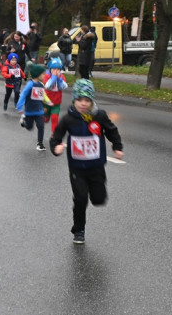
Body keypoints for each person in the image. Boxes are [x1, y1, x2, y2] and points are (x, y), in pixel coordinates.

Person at [50, 79, 124, 245]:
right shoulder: (68, 119)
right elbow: (56, 137)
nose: (83, 104)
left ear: (91, 101)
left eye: (87, 100)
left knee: (98, 199)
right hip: (77, 168)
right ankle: (79, 230)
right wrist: (56, 147)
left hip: (96, 166)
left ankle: (95, 195)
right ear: (74, 100)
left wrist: (117, 147)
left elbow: (112, 131)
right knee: (81, 198)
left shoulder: (100, 116)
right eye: (79, 100)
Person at [17, 63, 49, 151]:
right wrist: (19, 107)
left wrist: (48, 102)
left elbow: (43, 95)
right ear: (38, 75)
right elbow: (23, 95)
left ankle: (40, 144)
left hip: (39, 110)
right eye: (43, 74)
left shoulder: (41, 85)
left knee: (41, 126)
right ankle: (24, 120)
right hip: (29, 111)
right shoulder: (30, 84)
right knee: (29, 127)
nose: (44, 76)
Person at [44, 58, 69, 131]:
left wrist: (59, 79)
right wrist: (54, 78)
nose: (56, 71)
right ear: (50, 69)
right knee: (45, 118)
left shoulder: (61, 77)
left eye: (58, 69)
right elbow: (48, 86)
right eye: (54, 69)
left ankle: (54, 134)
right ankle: (46, 116)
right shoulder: (46, 76)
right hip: (46, 102)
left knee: (55, 118)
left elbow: (64, 87)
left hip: (56, 102)